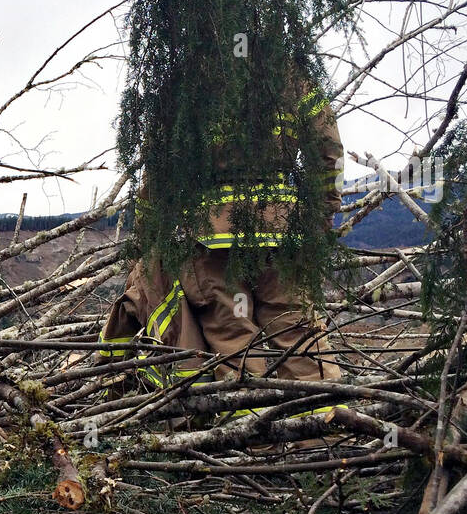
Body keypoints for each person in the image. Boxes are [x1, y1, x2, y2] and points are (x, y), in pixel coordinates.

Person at [102, 82, 344, 386]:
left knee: (233, 335)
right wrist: (323, 214)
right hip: (283, 234)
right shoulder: (292, 74)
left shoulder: (187, 76)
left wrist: (146, 238)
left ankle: (244, 421)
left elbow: (159, 172)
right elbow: (330, 151)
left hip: (212, 241)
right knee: (299, 331)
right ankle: (328, 420)